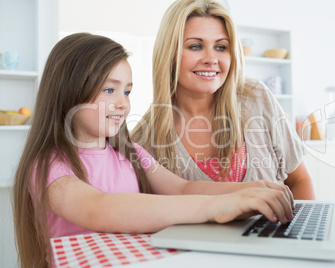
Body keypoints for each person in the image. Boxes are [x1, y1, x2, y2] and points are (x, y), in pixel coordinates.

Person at [12, 33, 294, 268]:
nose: (123, 104)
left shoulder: (129, 151)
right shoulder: (49, 166)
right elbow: (98, 209)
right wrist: (215, 208)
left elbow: (183, 189)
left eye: (127, 92)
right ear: (68, 91)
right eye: (109, 90)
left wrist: (252, 189)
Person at [131, 0, 315, 200]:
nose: (211, 59)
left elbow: (299, 181)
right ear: (169, 54)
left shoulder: (256, 98)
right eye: (195, 46)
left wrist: (300, 231)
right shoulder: (144, 141)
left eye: (220, 47)